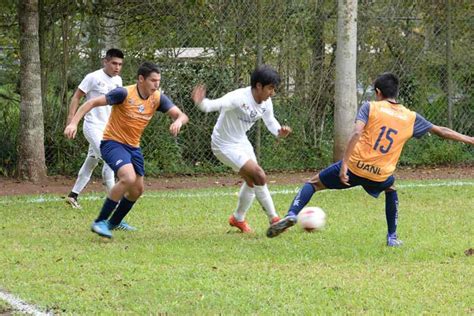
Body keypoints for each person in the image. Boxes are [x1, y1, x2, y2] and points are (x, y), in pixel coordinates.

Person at [267, 72, 474, 246]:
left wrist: (344, 165)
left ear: (377, 92)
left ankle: (293, 213)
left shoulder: (370, 107)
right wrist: (470, 139)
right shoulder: (411, 117)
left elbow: (356, 133)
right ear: (396, 93)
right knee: (391, 189)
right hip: (381, 175)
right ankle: (392, 237)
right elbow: (442, 131)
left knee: (312, 183)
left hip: (355, 168)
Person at [64, 62, 189, 239]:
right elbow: (90, 103)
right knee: (128, 178)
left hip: (133, 147)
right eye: (153, 80)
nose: (156, 84)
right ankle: (99, 222)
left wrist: (177, 121)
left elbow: (182, 115)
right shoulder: (123, 93)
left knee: (137, 190)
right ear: (141, 79)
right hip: (112, 143)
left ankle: (114, 222)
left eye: (158, 81)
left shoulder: (157, 98)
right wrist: (73, 123)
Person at [191, 65, 292, 233]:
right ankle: (274, 219)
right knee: (259, 174)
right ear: (258, 86)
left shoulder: (266, 102)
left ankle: (237, 218)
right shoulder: (238, 97)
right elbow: (211, 106)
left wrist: (279, 131)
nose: (272, 93)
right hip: (222, 144)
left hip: (241, 141)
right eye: (270, 88)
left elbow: (270, 121)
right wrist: (200, 101)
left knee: (252, 181)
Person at [65, 48, 124, 209]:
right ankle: (115, 203)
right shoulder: (93, 77)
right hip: (92, 126)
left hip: (109, 129)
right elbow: (76, 97)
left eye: (120, 64)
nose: (117, 67)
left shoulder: (118, 81)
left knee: (92, 161)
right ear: (105, 61)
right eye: (114, 63)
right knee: (110, 159)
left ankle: (73, 195)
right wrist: (72, 122)